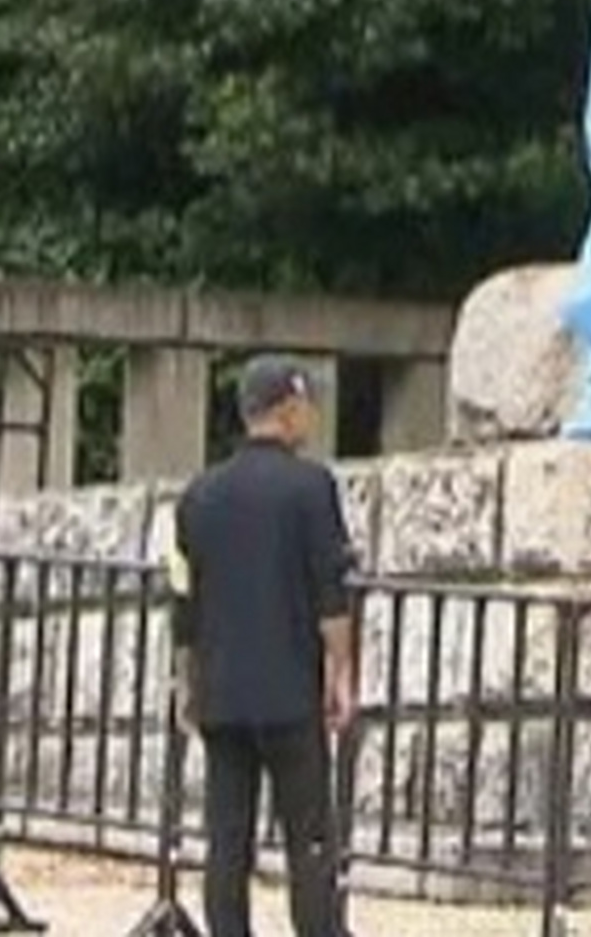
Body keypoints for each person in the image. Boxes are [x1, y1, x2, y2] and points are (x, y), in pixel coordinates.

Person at [169, 356, 359, 937]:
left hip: (222, 688)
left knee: (227, 837)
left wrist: (185, 680)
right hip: (288, 689)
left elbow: (184, 598)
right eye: (306, 404)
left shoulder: (197, 495)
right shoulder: (310, 487)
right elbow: (331, 592)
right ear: (289, 406)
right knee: (309, 837)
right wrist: (340, 672)